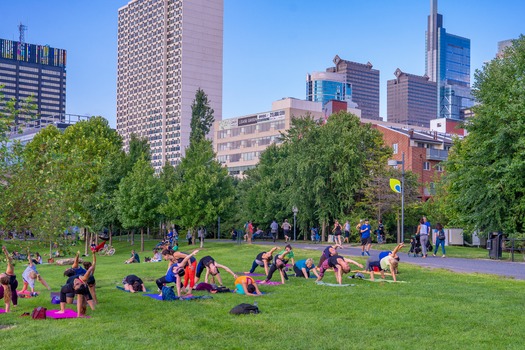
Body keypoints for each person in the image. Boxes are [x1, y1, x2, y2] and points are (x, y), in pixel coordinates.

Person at [57, 252, 97, 317]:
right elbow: (87, 274)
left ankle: (63, 310)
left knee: (81, 297)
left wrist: (77, 254)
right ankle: (92, 309)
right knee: (77, 299)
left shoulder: (76, 270)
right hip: (76, 284)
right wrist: (90, 269)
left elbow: (80, 300)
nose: (75, 284)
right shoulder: (83, 279)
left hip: (76, 285)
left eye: (76, 284)